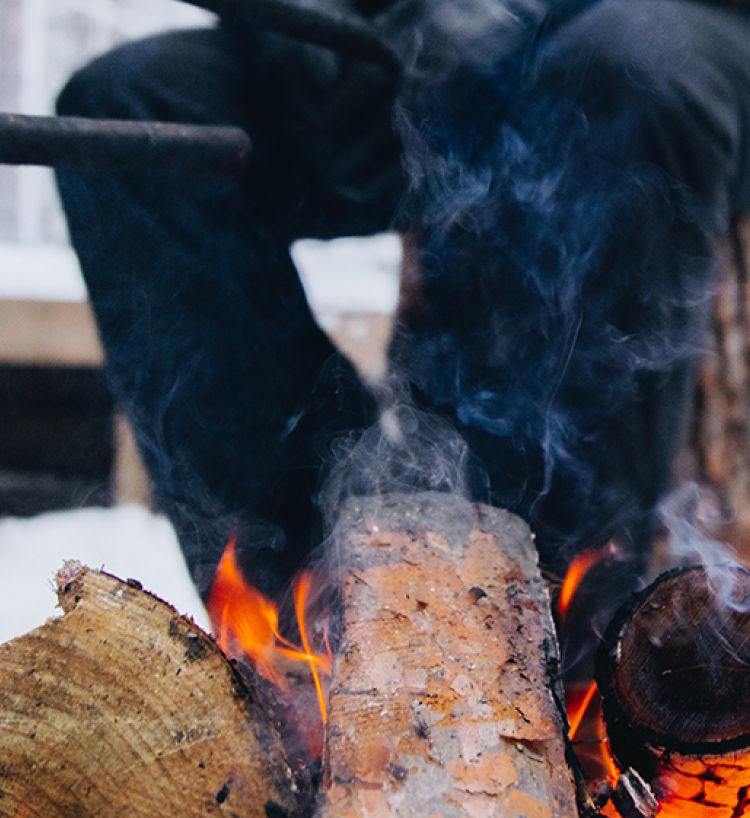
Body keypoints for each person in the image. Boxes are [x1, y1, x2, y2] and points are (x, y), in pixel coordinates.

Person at [56, 0, 750, 632]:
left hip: (651, 30)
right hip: (414, 34)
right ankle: (311, 614)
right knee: (129, 107)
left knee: (624, 75)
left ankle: (560, 648)